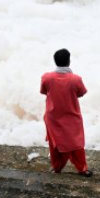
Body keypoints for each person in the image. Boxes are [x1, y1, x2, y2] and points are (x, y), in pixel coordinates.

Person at [40, 48, 92, 177]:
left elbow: (43, 91)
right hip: (71, 115)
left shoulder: (47, 77)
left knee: (55, 144)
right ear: (69, 61)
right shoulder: (76, 79)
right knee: (76, 143)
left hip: (53, 115)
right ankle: (82, 169)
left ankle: (56, 167)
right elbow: (81, 93)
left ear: (55, 62)